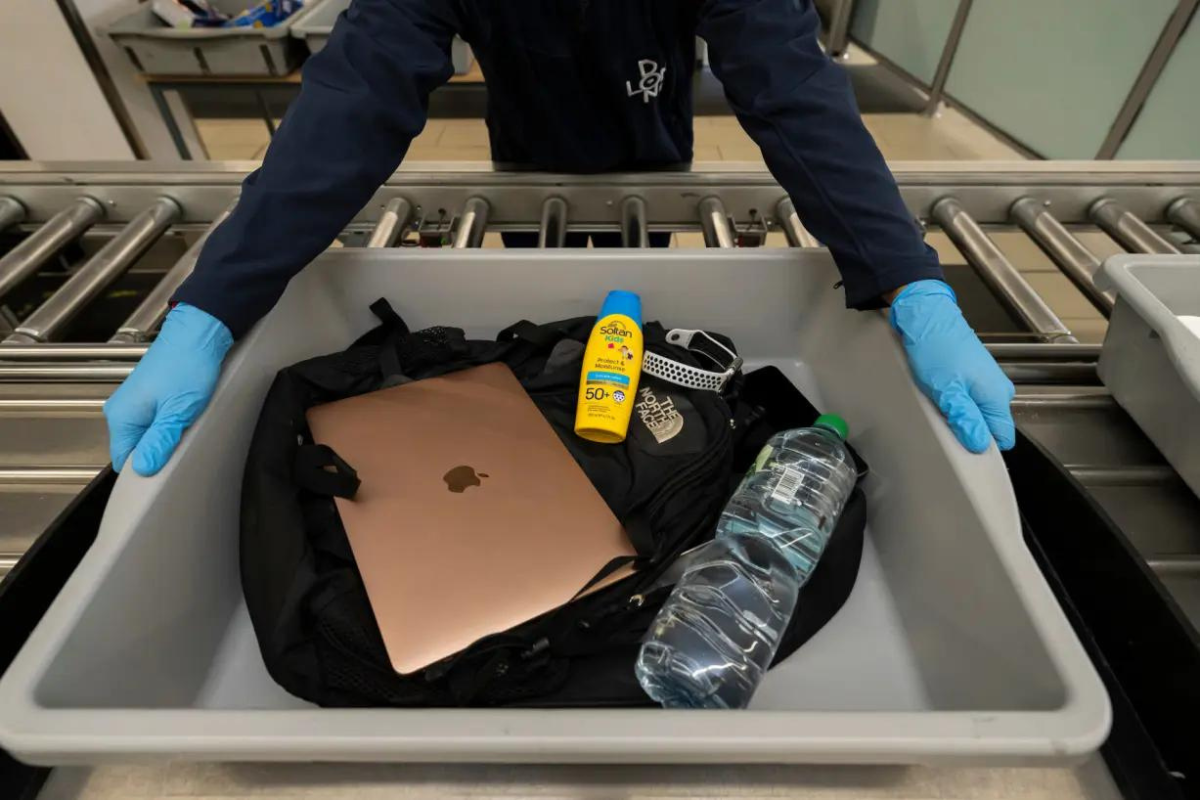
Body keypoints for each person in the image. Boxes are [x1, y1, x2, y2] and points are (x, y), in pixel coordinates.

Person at [104, 0, 1015, 477]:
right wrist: (210, 307)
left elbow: (791, 90)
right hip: (527, 145)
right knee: (546, 316)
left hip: (650, 146)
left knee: (633, 288)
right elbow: (352, 103)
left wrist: (910, 282)